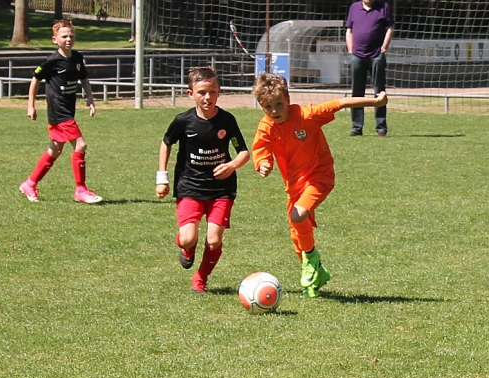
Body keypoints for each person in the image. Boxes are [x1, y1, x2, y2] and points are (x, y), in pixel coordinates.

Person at [251, 72, 387, 297]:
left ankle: (312, 260)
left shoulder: (308, 115)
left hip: (319, 176)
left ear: (288, 98)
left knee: (298, 216)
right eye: (268, 107)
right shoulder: (266, 126)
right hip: (294, 185)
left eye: (278, 104)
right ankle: (316, 276)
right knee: (297, 235)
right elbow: (261, 148)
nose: (274, 111)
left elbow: (341, 103)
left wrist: (375, 102)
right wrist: (263, 163)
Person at [156, 67, 250, 292]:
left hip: (222, 189)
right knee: (188, 239)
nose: (208, 97)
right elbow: (166, 143)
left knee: (214, 240)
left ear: (219, 92)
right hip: (190, 186)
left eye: (213, 92)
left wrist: (232, 165)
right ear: (190, 94)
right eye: (202, 92)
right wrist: (162, 177)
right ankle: (187, 247)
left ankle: (201, 277)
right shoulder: (183, 121)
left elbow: (243, 152)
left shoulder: (227, 120)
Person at [19, 19, 103, 204]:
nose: (68, 39)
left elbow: (84, 78)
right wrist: (31, 105)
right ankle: (81, 189)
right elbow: (35, 79)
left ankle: (29, 184)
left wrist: (90, 98)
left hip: (68, 110)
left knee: (55, 149)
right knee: (80, 145)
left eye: (71, 36)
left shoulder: (77, 58)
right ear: (54, 39)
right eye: (64, 36)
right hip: (59, 112)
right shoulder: (52, 61)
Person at [345, 0, 393, 137]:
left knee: (380, 91)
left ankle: (381, 127)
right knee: (357, 92)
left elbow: (390, 28)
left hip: (376, 56)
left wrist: (383, 48)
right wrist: (350, 50)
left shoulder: (384, 7)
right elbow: (349, 30)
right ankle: (356, 127)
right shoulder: (353, 8)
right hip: (357, 56)